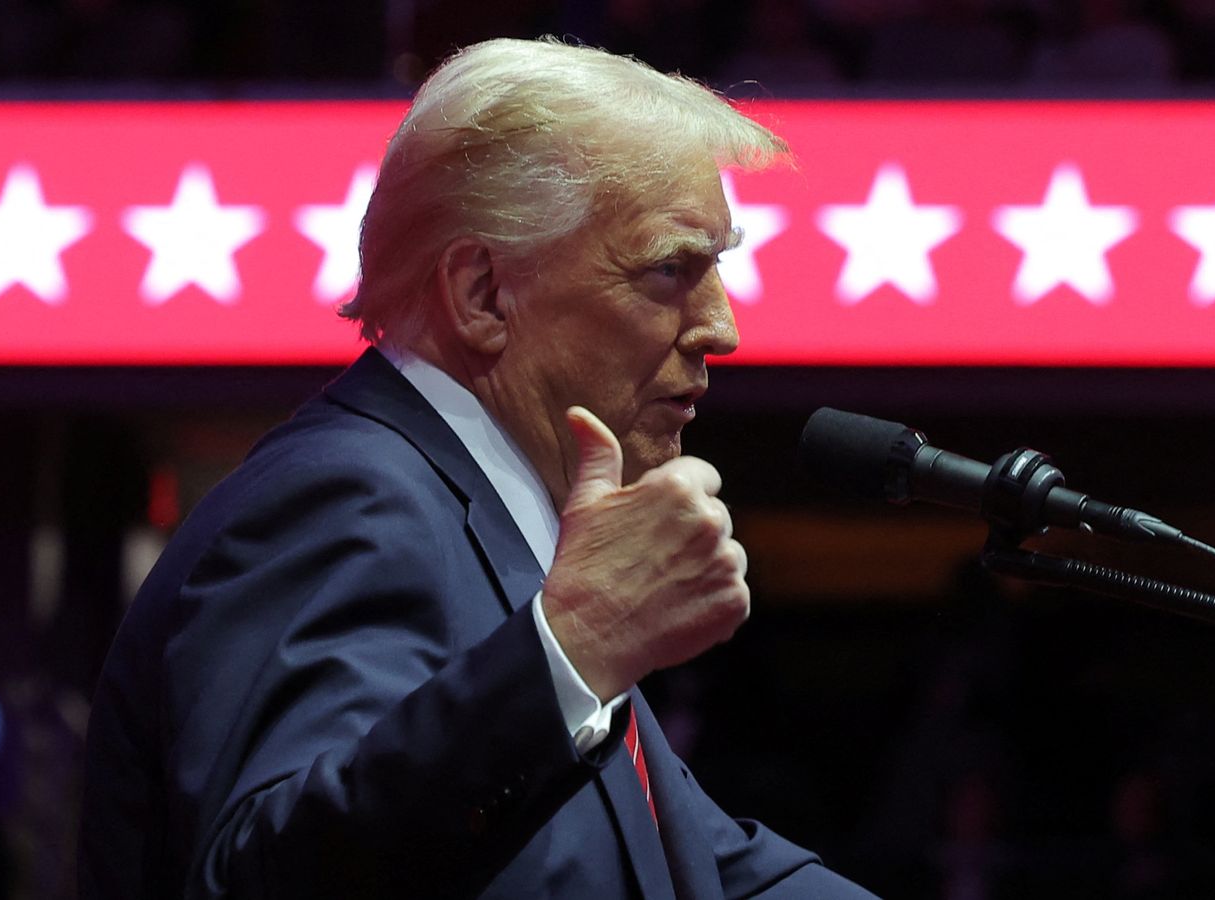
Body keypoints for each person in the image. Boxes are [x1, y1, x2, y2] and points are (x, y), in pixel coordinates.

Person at [78, 37, 876, 899]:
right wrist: (575, 647)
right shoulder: (350, 496)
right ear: (482, 295)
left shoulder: (504, 531)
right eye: (671, 269)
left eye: (716, 268)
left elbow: (699, 870)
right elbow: (264, 876)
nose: (721, 326)